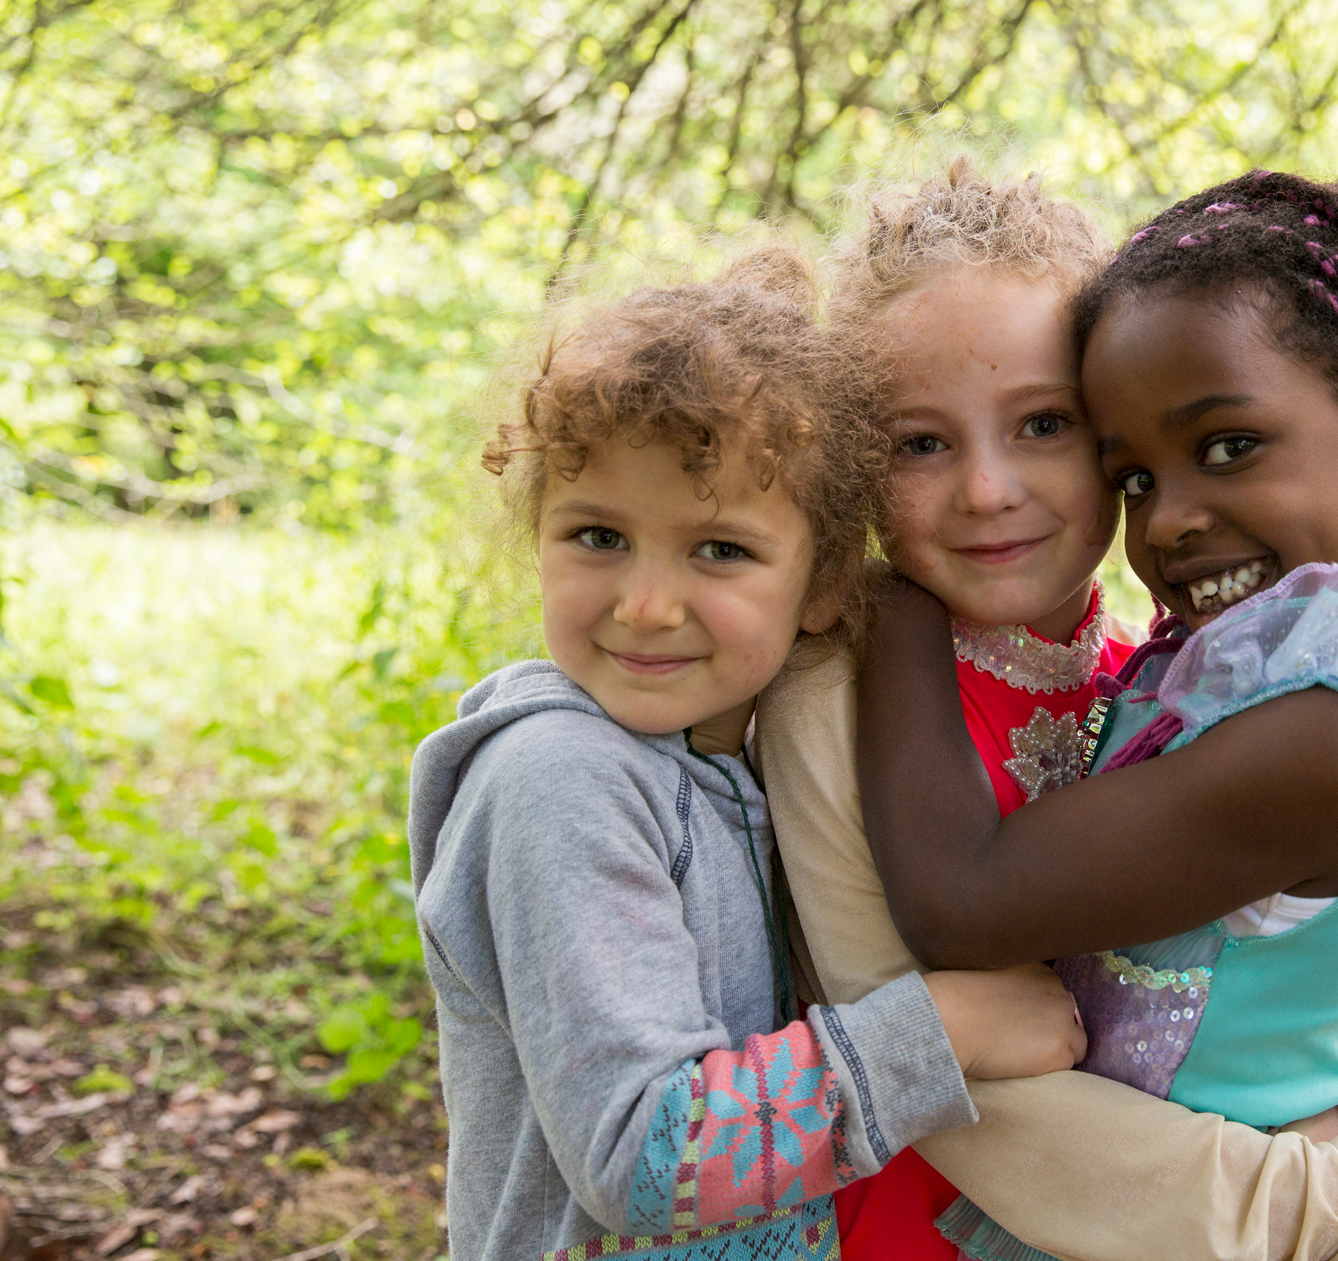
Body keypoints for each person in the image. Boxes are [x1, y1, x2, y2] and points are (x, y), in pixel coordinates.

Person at [852, 172, 1338, 1257]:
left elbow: (960, 899)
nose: (1168, 521)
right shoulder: (1280, 672)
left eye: (1224, 448)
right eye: (1131, 479)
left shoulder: (1331, 731)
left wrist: (889, 607)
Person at [757, 162, 1338, 1261]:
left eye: (1042, 424)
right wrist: (1318, 1208)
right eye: (918, 443)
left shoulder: (1166, 682)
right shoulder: (834, 693)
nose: (987, 489)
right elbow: (919, 1057)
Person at [405, 251, 1086, 1261]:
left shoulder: (734, 761)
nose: (644, 602)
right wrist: (942, 1028)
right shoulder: (558, 780)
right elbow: (643, 1154)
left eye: (718, 549)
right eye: (596, 535)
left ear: (819, 586)